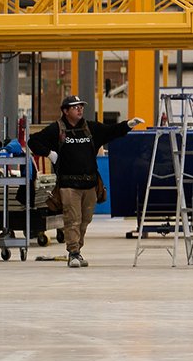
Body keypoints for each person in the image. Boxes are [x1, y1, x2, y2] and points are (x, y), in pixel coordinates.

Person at [26, 95, 142, 268]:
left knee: (84, 221)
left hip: (90, 185)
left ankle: (76, 251)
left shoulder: (91, 129)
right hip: (68, 185)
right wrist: (50, 153)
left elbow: (111, 131)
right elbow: (33, 141)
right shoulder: (56, 129)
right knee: (72, 219)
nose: (79, 109)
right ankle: (73, 252)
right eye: (75, 107)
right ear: (65, 111)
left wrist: (128, 125)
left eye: (81, 106)